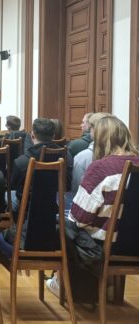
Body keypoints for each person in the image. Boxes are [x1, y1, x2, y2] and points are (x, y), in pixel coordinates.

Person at [47, 116, 139, 299]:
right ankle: (110, 286)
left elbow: (80, 217)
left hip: (103, 246)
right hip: (134, 242)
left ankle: (61, 282)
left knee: (64, 224)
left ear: (100, 140)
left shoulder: (100, 168)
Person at [10, 118, 73, 214]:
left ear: (32, 135)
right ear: (54, 135)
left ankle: (17, 222)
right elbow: (68, 184)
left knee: (8, 194)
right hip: (56, 206)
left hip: (28, 209)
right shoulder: (66, 156)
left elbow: (13, 185)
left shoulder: (21, 162)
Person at [71, 112, 110, 192]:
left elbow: (77, 190)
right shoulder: (127, 157)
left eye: (91, 127)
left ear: (95, 130)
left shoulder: (82, 157)